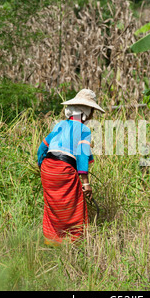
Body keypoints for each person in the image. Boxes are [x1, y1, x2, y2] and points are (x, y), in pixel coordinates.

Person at [37, 89, 105, 246]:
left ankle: (53, 241)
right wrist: (86, 183)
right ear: (86, 113)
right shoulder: (84, 130)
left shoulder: (59, 125)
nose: (92, 116)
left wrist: (42, 167)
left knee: (53, 206)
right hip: (64, 169)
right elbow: (82, 156)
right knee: (74, 206)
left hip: (47, 167)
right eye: (92, 112)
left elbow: (42, 148)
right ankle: (74, 243)